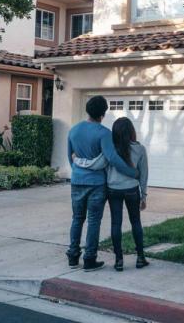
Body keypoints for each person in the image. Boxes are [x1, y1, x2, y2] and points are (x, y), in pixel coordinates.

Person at [66, 96, 138, 272]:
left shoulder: (73, 130)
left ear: (87, 110)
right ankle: (90, 259)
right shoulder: (104, 133)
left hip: (77, 181)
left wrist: (78, 173)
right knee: (93, 221)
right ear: (103, 113)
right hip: (97, 184)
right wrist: (133, 172)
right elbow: (113, 159)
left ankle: (73, 256)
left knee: (77, 219)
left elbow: (71, 157)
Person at [74, 117, 149, 272]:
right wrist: (144, 195)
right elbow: (143, 174)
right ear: (131, 131)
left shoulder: (110, 149)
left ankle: (118, 260)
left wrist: (77, 160)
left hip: (113, 190)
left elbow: (97, 164)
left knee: (116, 223)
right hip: (132, 190)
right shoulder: (140, 149)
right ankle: (141, 258)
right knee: (136, 222)